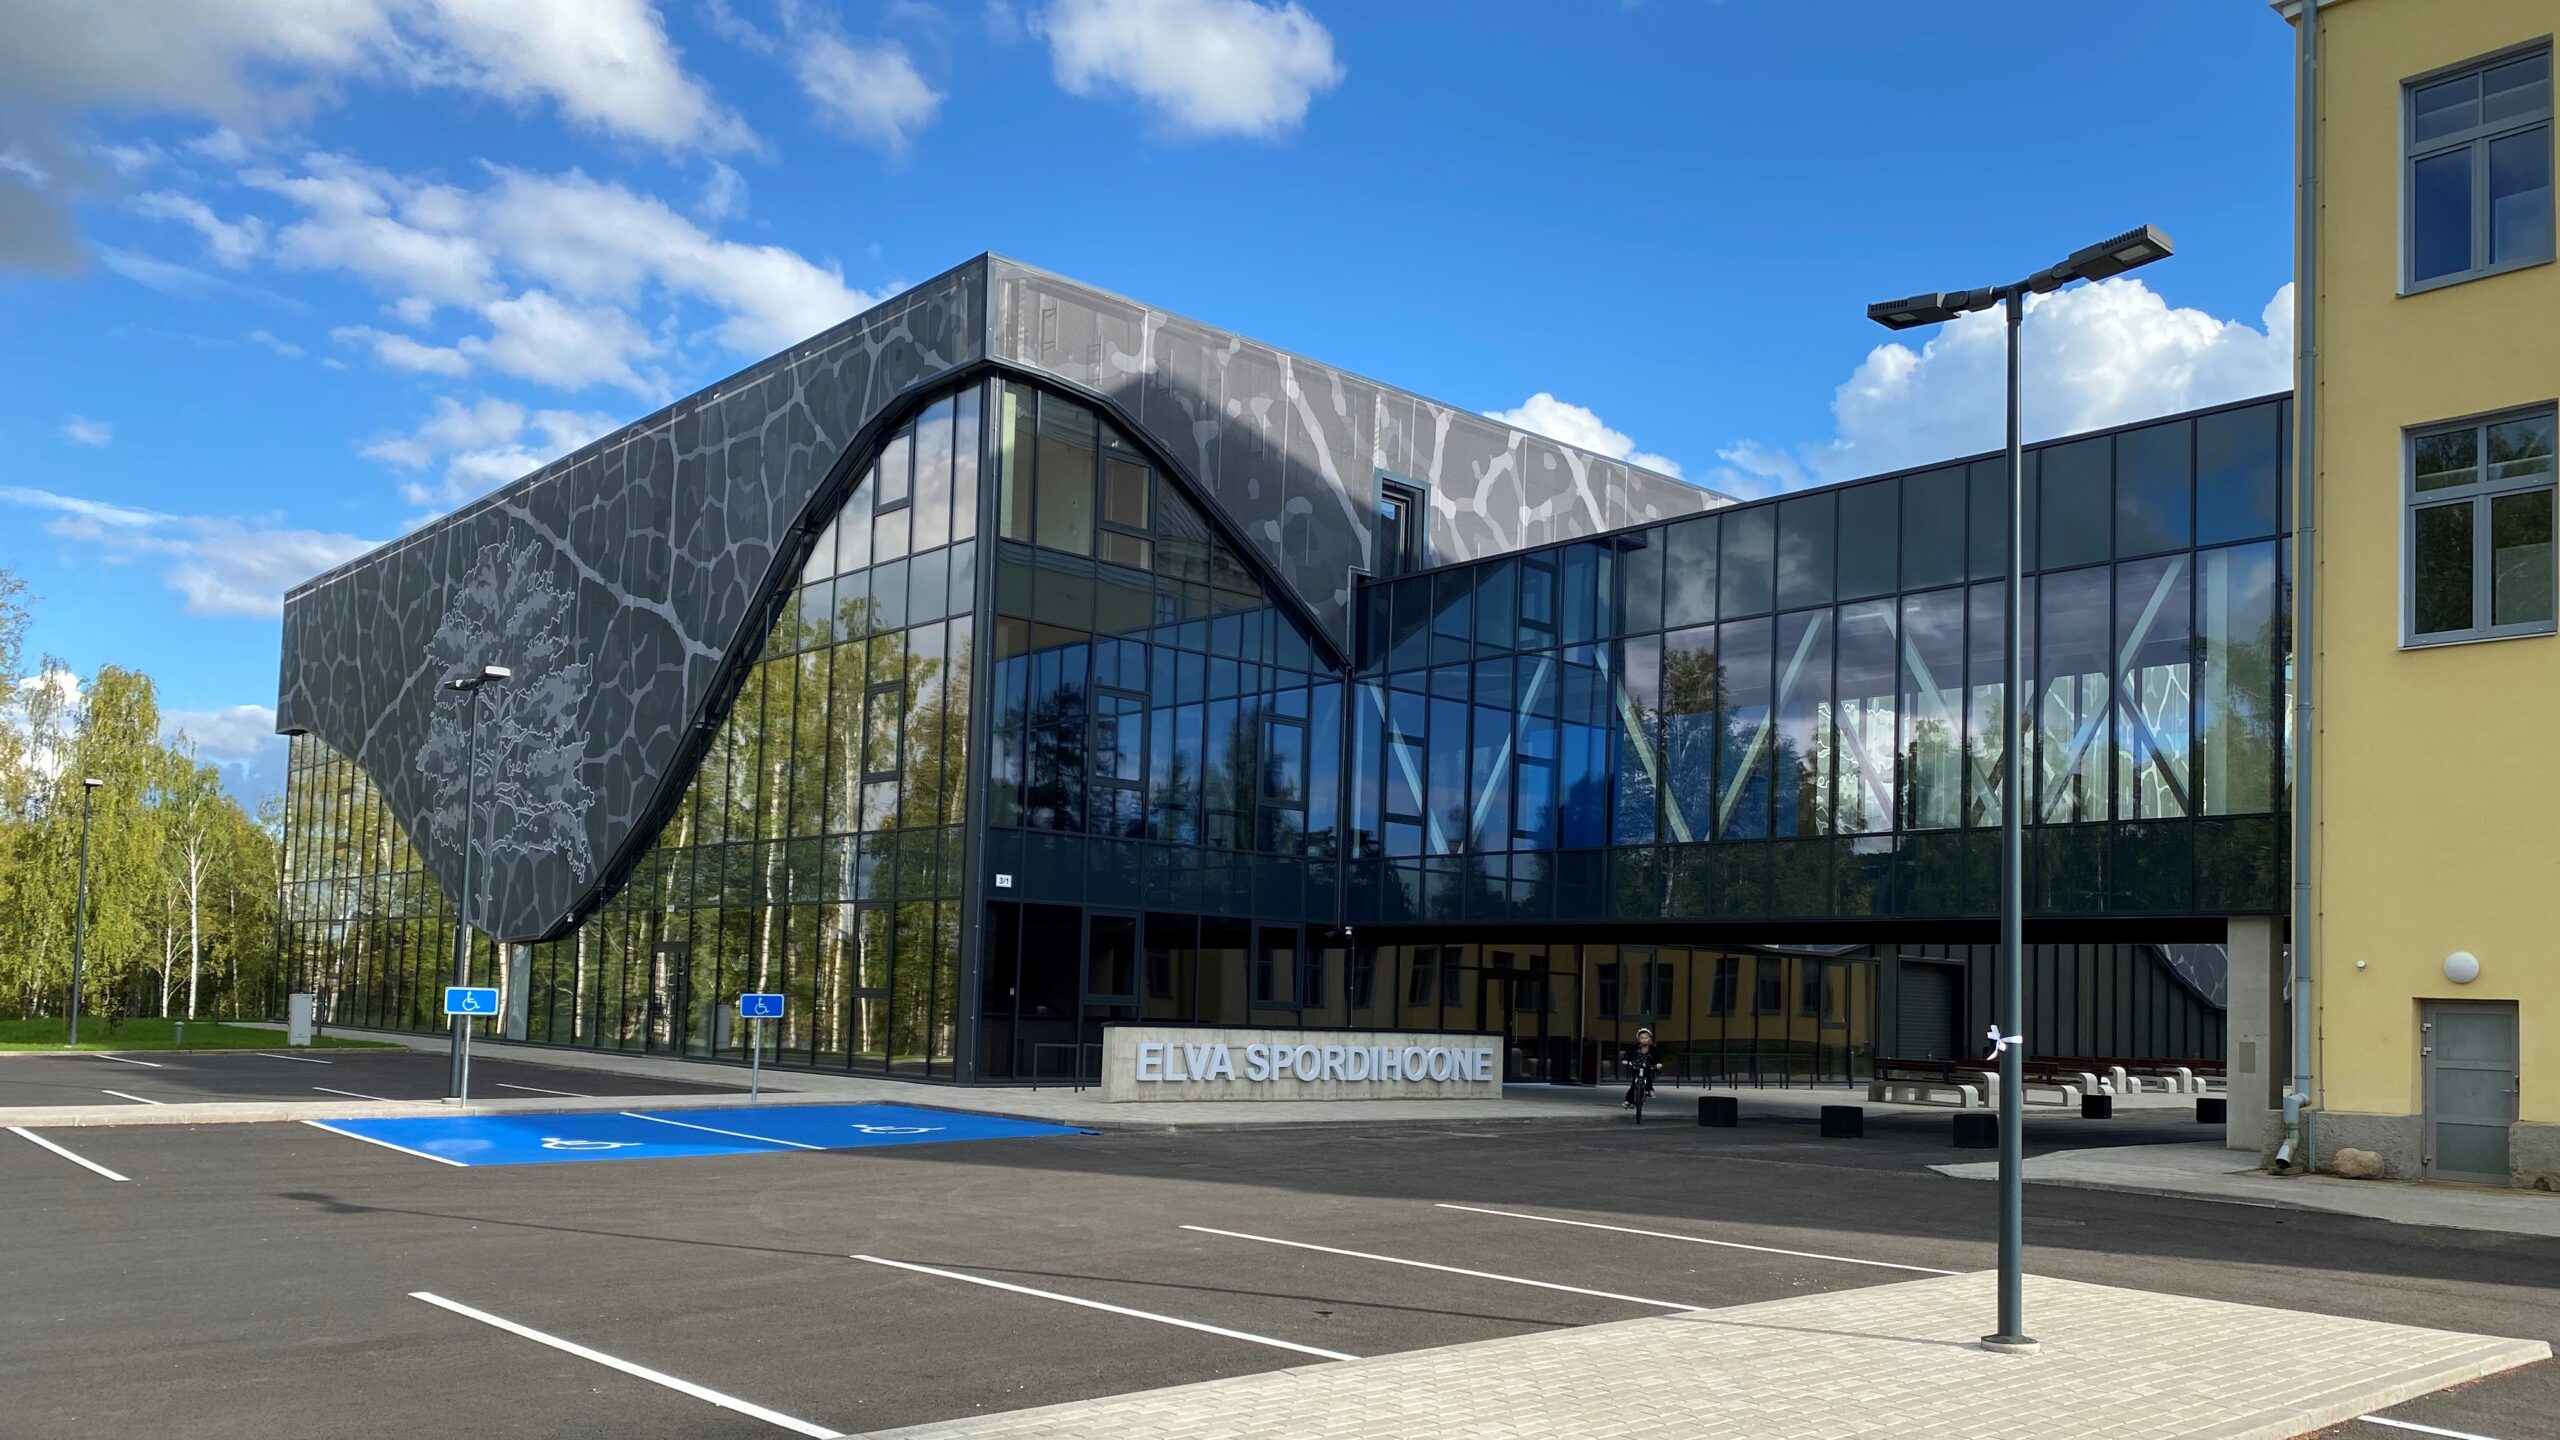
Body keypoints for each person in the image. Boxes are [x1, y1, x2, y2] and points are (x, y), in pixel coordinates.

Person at [1622, 1027, 1659, 1109]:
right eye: (1642, 1038)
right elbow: (1628, 1054)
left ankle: (1649, 1089)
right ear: (1638, 1039)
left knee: (1648, 1076)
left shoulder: (1652, 1048)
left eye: (1646, 1038)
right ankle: (1628, 1100)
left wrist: (1658, 1063)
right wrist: (1625, 1060)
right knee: (1634, 1083)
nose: (1644, 1040)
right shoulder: (1635, 1047)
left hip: (1647, 1066)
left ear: (1650, 1039)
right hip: (1636, 1066)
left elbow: (1657, 1057)